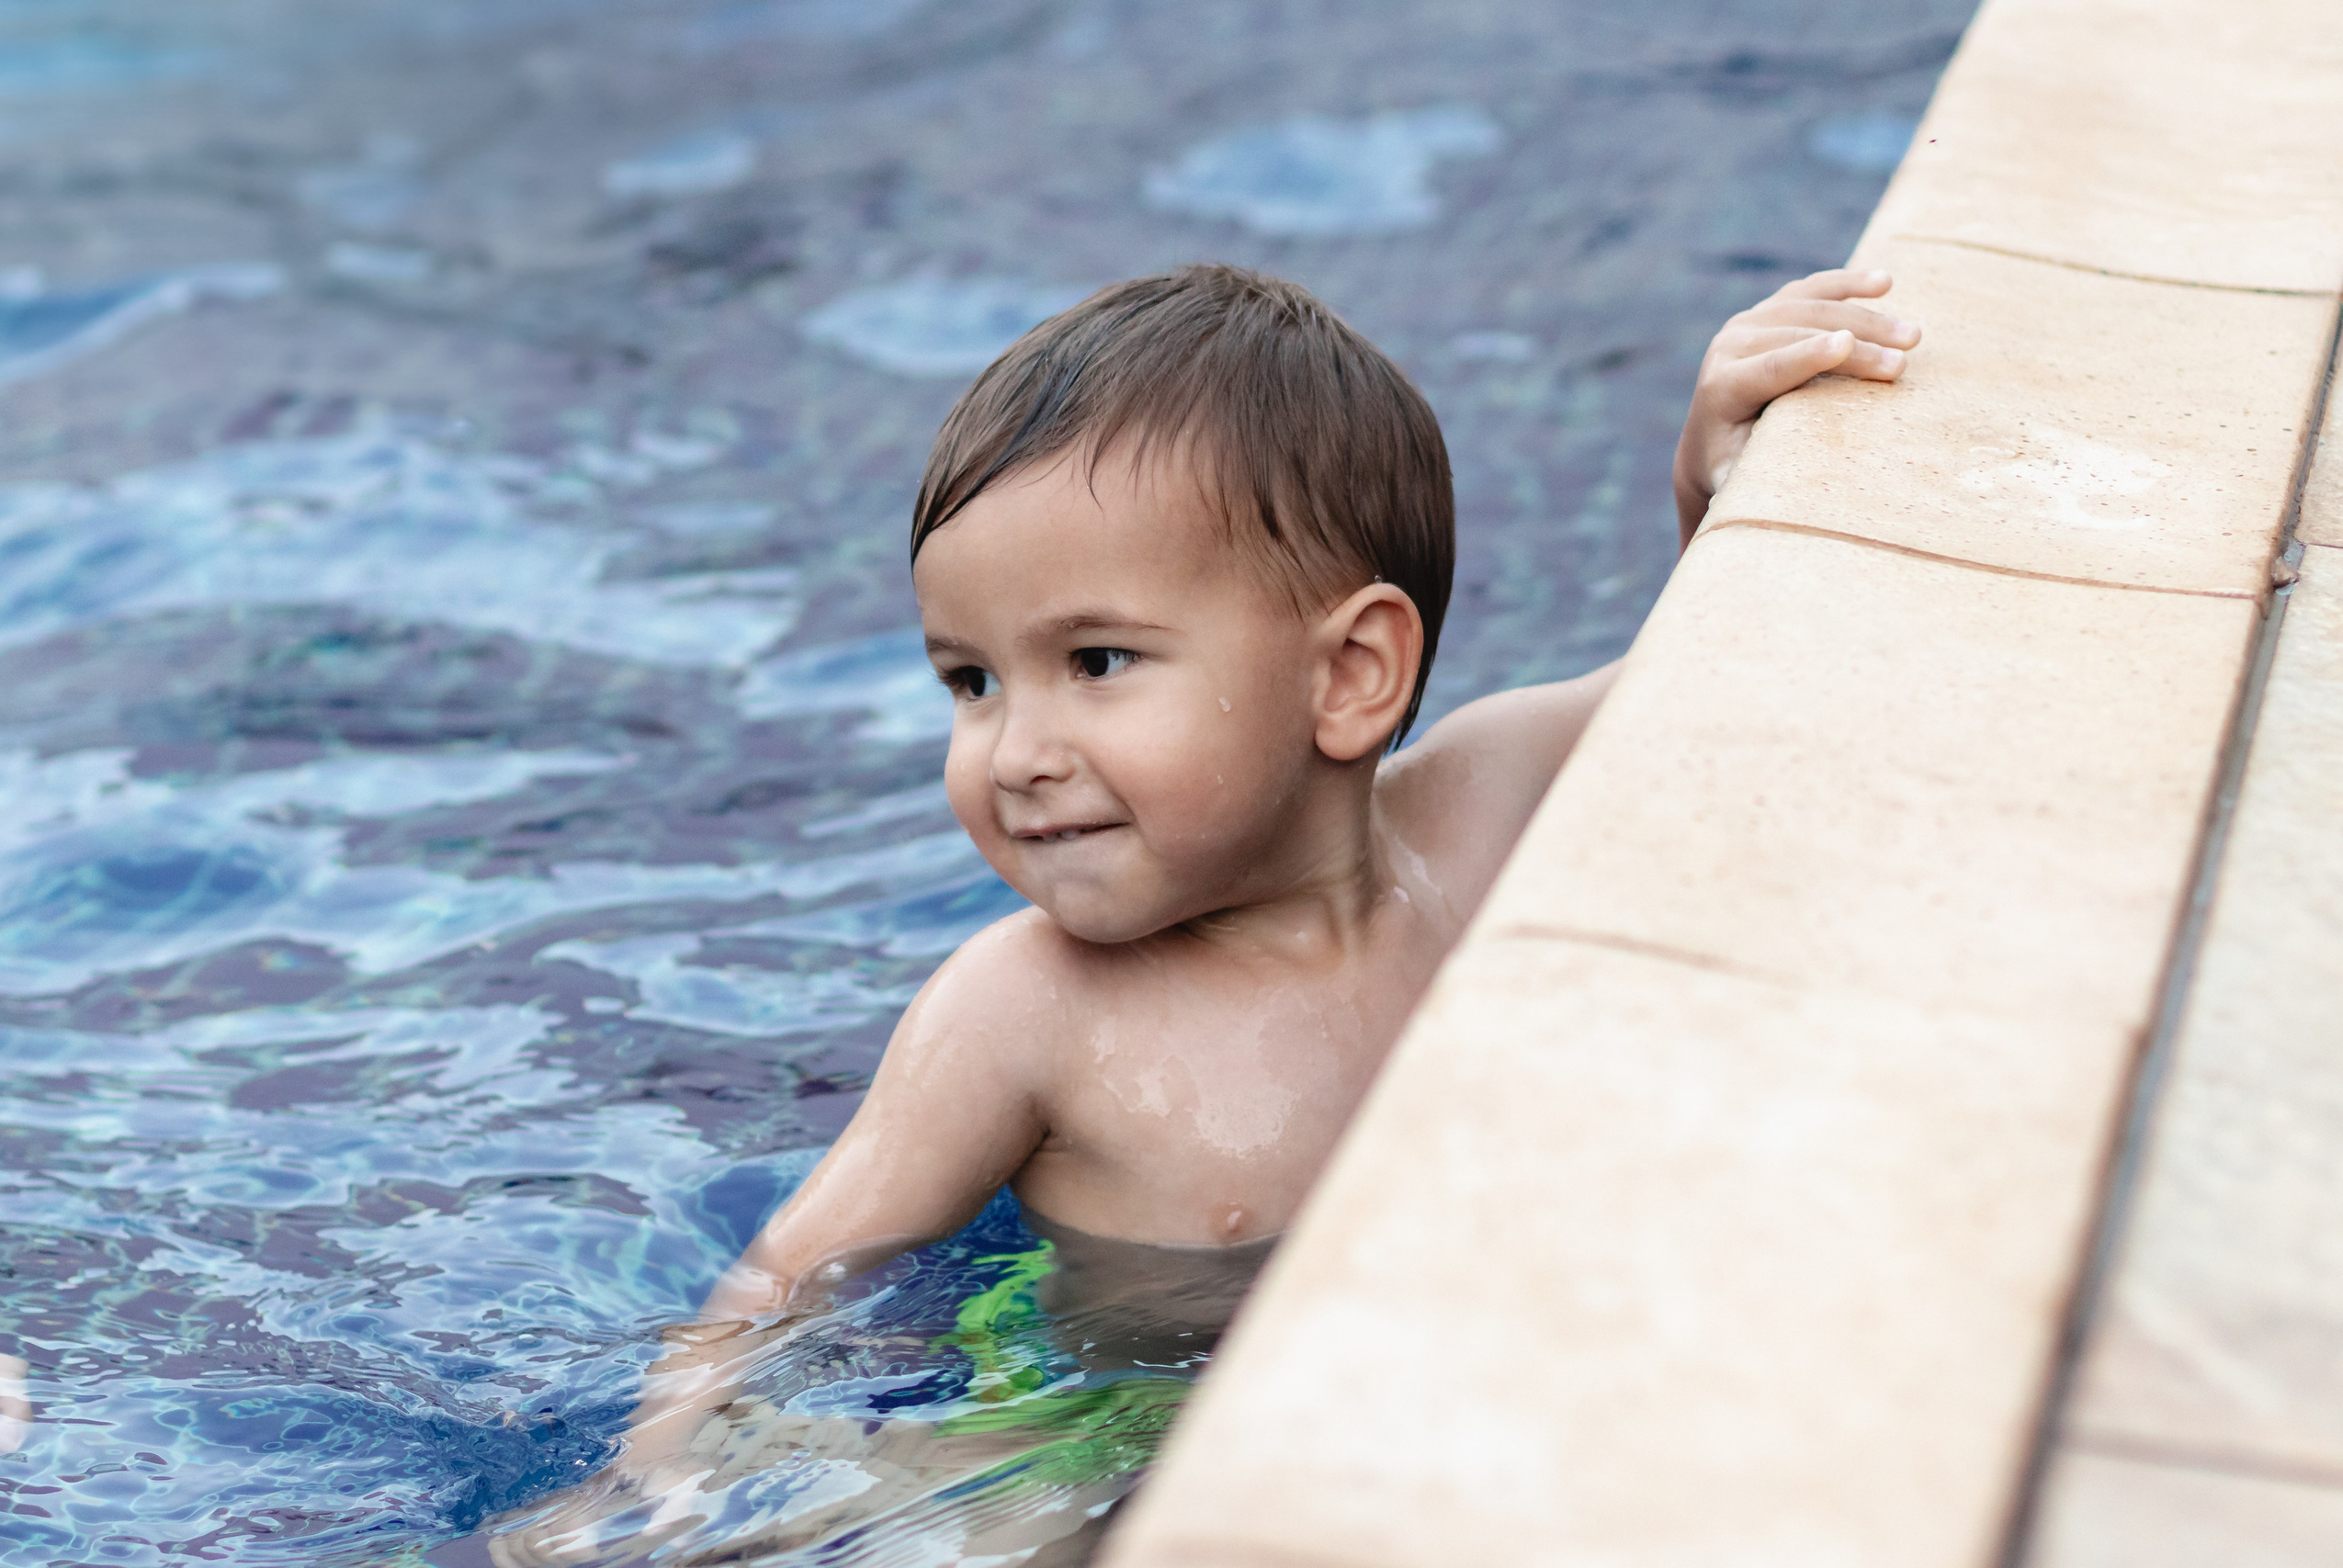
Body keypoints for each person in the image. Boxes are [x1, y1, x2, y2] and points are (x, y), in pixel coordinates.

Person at [487, 262, 1918, 1563]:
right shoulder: (1024, 1008)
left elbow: (1706, 676)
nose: (1017, 750)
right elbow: (792, 1278)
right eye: (969, 680)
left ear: (1352, 673)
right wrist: (662, 1474)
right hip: (1109, 1428)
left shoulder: (1485, 814)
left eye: (1096, 661)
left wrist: (1712, 477)